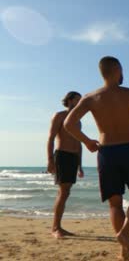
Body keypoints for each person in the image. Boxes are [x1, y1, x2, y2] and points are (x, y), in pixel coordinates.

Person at [64, 56, 129, 261]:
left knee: (115, 204)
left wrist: (87, 142)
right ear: (118, 70)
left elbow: (69, 123)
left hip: (106, 153)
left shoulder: (91, 97)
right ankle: (124, 233)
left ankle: (126, 251)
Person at [46, 91, 84, 239]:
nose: (80, 103)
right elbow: (51, 138)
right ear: (69, 100)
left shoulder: (78, 120)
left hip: (74, 158)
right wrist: (50, 160)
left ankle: (59, 226)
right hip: (62, 155)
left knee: (66, 192)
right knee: (63, 192)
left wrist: (80, 165)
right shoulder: (59, 116)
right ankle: (55, 228)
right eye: (77, 100)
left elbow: (79, 143)